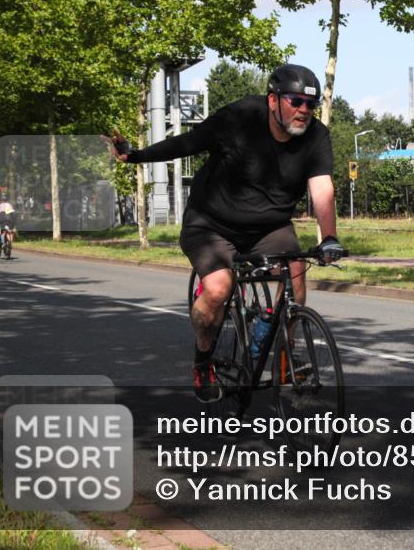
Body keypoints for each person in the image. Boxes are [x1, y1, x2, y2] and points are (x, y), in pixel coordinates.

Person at [105, 64, 343, 403]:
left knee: (296, 275)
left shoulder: (316, 136)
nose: (304, 110)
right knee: (218, 289)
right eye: (295, 101)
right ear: (273, 100)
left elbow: (322, 189)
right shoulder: (239, 118)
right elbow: (187, 142)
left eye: (311, 104)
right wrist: (135, 156)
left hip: (269, 227)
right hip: (211, 224)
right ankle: (203, 360)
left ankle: (285, 357)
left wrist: (329, 238)